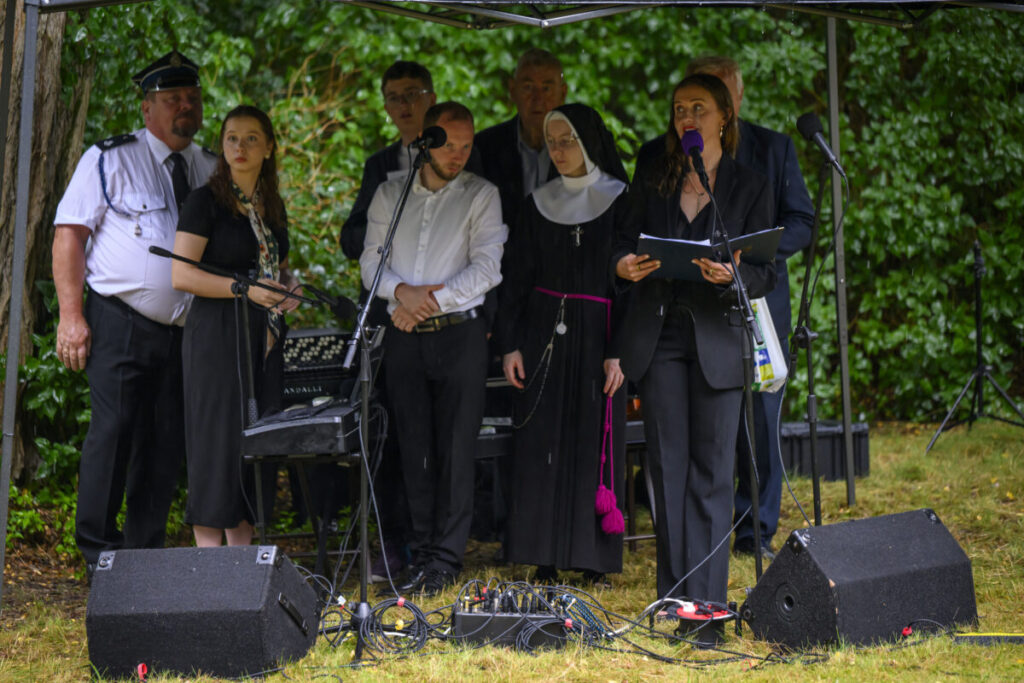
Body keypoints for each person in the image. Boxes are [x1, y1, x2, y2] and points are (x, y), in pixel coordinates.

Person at [614, 74, 776, 645]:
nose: (687, 117)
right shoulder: (653, 175)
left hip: (718, 340)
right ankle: (675, 600)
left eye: (699, 108)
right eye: (680, 108)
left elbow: (766, 271)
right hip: (660, 339)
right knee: (668, 471)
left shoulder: (750, 185)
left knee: (711, 473)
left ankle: (706, 610)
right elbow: (618, 241)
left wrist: (734, 276)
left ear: (723, 117)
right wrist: (622, 266)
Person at [51, 50, 216, 578]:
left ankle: (143, 558)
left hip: (188, 331)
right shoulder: (109, 158)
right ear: (147, 109)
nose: (185, 107)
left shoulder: (212, 167)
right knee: (115, 430)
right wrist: (70, 316)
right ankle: (99, 553)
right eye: (172, 100)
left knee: (165, 442)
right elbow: (69, 235)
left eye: (192, 98)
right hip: (120, 321)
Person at [360, 102, 506, 596]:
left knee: (457, 449)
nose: (458, 155)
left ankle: (446, 559)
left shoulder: (482, 195)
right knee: (414, 447)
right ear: (424, 141)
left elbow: (487, 269)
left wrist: (426, 303)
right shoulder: (389, 193)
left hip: (460, 335)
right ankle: (421, 554)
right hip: (404, 336)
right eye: (448, 145)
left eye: (466, 146)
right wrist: (401, 294)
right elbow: (370, 263)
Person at [684, 56, 814, 560]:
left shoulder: (774, 149)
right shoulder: (680, 155)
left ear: (735, 99)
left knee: (760, 415)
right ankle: (712, 519)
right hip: (700, 304)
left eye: (721, 93)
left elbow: (802, 220)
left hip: (760, 297)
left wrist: (756, 255)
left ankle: (755, 527)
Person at [496, 104, 629, 585]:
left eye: (567, 140)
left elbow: (631, 288)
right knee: (542, 443)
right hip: (542, 336)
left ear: (588, 140)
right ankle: (544, 556)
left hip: (599, 337)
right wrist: (510, 344)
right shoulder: (537, 202)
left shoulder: (621, 198)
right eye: (551, 141)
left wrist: (621, 350)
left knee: (592, 442)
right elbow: (515, 278)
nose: (558, 150)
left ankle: (593, 560)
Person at [171, 105, 299, 547]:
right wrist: (244, 290)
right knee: (216, 450)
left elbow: (274, 269)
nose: (239, 147)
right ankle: (211, 569)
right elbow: (181, 275)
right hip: (217, 337)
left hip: (262, 337)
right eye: (231, 138)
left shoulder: (272, 206)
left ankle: (242, 565)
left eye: (250, 138)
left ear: (269, 147)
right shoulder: (204, 202)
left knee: (254, 446)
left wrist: (289, 288)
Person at [338, 60, 437, 582]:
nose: (403, 105)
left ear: (431, 98)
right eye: (394, 96)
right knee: (390, 434)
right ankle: (394, 543)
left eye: (412, 94)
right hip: (390, 313)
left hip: (442, 311)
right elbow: (352, 238)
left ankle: (439, 542)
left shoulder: (458, 152)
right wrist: (389, 232)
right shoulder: (380, 164)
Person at [474, 48, 568, 232]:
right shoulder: (484, 147)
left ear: (563, 93)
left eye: (547, 88)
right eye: (528, 87)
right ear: (512, 90)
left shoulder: (583, 147)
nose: (537, 98)